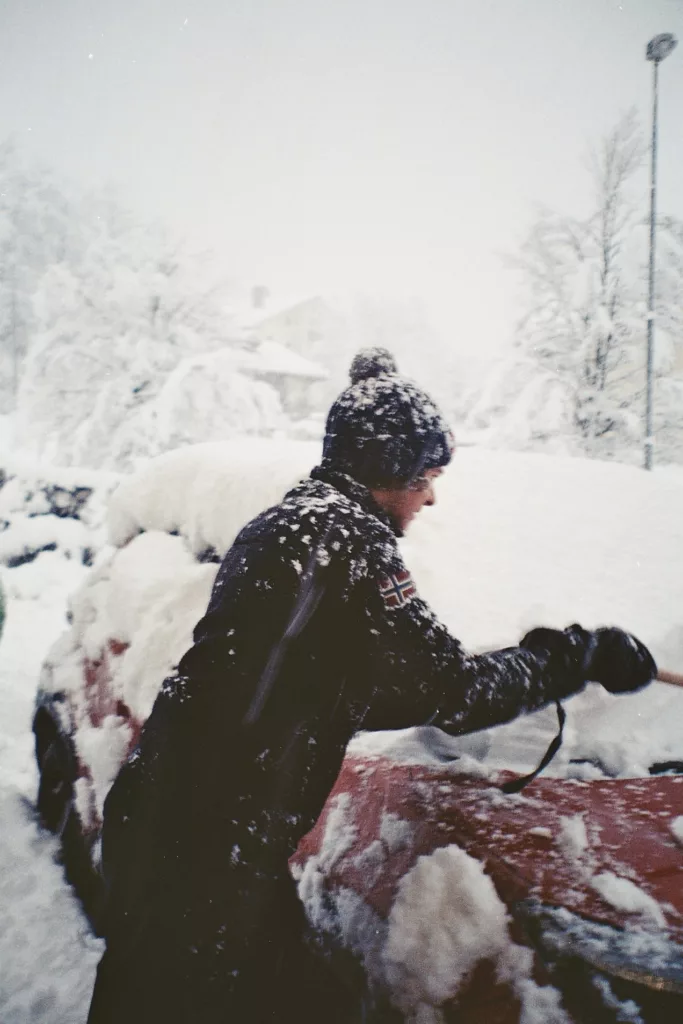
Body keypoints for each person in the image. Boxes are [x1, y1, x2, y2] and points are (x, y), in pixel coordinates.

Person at [87, 348, 656, 1024]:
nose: (432, 495)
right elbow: (451, 691)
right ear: (390, 468)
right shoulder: (349, 543)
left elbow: (342, 682)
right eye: (428, 475)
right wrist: (578, 656)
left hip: (181, 818)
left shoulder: (290, 523)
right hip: (209, 849)